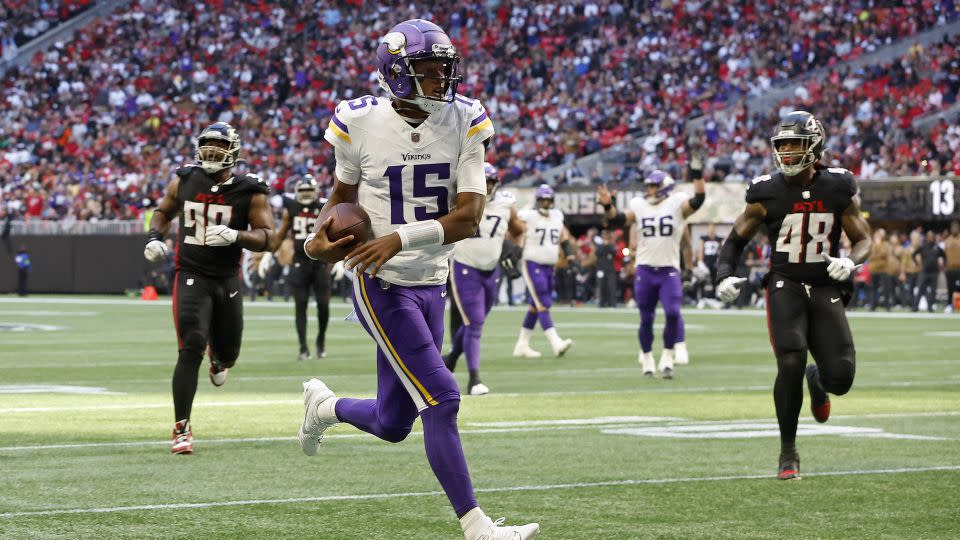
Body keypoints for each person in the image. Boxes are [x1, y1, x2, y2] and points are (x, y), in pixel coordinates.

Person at [296, 19, 539, 540]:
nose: (441, 82)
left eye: (444, 70)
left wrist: (400, 237)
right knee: (444, 399)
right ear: (397, 75)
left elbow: (469, 216)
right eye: (428, 72)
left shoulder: (466, 119)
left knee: (393, 423)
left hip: (431, 277)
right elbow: (340, 201)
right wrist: (317, 242)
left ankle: (326, 406)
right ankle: (477, 527)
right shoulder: (359, 122)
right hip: (378, 280)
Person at [713, 110, 872, 480]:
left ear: (814, 146)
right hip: (784, 284)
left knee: (841, 378)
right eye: (781, 144)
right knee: (789, 361)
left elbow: (864, 238)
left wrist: (851, 262)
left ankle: (818, 382)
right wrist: (724, 275)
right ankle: (788, 453)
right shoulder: (766, 191)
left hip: (824, 287)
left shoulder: (837, 186)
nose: (785, 152)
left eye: (794, 144)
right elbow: (735, 241)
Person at [144, 121, 274, 455]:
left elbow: (268, 238)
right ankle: (181, 428)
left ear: (233, 152)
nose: (212, 152)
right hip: (190, 274)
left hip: (227, 278)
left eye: (218, 146)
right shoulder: (186, 178)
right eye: (207, 145)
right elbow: (163, 211)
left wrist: (237, 236)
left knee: (228, 351)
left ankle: (219, 360)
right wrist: (154, 237)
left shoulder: (251, 189)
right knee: (191, 344)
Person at [597, 169, 706, 378]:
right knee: (646, 318)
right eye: (647, 186)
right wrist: (607, 205)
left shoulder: (676, 204)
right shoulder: (639, 205)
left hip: (669, 270)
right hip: (645, 269)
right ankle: (647, 358)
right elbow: (617, 220)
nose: (648, 190)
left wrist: (697, 174)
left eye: (653, 186)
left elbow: (698, 200)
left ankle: (667, 354)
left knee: (673, 313)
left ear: (664, 188)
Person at [443, 163, 524, 395]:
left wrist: (516, 251)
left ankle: (450, 358)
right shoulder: (460, 200)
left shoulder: (506, 204)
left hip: (491, 272)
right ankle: (474, 379)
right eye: (483, 181)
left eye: (490, 182)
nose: (486, 186)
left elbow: (519, 231)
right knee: (475, 322)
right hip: (465, 267)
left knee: (473, 323)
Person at [263, 174, 330, 360]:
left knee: (323, 306)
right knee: (300, 306)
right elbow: (281, 233)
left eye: (310, 191)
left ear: (316, 191)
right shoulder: (291, 208)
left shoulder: (325, 207)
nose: (307, 195)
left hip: (321, 264)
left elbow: (336, 233)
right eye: (303, 191)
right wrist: (269, 254)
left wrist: (339, 259)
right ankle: (303, 348)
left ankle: (320, 341)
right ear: (296, 192)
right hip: (299, 264)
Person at [512, 184, 576, 358]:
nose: (546, 203)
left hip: (549, 266)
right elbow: (514, 225)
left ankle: (522, 345)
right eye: (542, 199)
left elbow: (563, 238)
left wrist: (570, 256)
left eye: (548, 200)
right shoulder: (528, 216)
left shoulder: (557, 216)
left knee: (535, 306)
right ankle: (556, 343)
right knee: (543, 302)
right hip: (532, 263)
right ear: (537, 200)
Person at [912, 230, 945, 312]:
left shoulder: (936, 247)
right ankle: (915, 307)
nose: (930, 238)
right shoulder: (923, 246)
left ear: (933, 238)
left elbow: (944, 256)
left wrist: (943, 265)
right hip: (924, 272)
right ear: (926, 237)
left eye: (932, 236)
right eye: (929, 236)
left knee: (933, 291)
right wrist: (917, 264)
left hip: (934, 272)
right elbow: (913, 254)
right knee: (920, 288)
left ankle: (930, 307)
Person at [944, 221, 960, 312]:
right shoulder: (947, 241)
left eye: (956, 228)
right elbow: (944, 255)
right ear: (951, 229)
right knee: (950, 288)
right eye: (953, 228)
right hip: (950, 269)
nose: (955, 229)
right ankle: (949, 305)